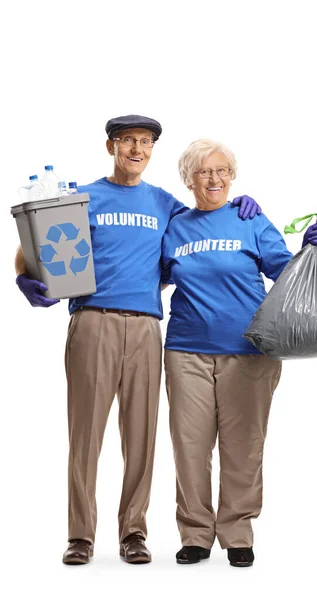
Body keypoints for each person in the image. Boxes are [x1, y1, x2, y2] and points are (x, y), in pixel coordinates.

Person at [14, 115, 263, 565]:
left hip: (148, 327)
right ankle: (81, 536)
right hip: (92, 321)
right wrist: (24, 278)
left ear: (152, 150)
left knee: (141, 437)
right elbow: (31, 243)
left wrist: (240, 204)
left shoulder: (165, 204)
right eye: (127, 140)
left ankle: (133, 532)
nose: (136, 148)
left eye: (145, 142)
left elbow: (204, 222)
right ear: (110, 146)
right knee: (85, 434)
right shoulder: (84, 196)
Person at [161, 139, 317, 567]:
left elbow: (284, 273)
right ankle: (196, 533)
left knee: (243, 445)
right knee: (190, 446)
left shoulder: (249, 219)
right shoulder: (175, 225)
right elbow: (152, 276)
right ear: (188, 179)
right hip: (185, 351)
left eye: (222, 170)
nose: (214, 179)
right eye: (203, 171)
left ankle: (237, 532)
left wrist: (310, 250)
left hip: (249, 352)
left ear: (232, 176)